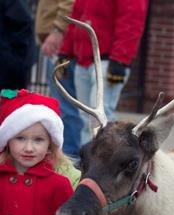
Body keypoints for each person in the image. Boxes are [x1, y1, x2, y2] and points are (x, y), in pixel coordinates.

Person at [59, 0, 148, 145]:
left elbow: (131, 21)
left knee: (100, 120)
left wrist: (120, 59)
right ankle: (87, 163)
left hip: (107, 61)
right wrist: (65, 51)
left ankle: (102, 163)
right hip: (83, 59)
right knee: (85, 118)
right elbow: (76, 17)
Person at [35, 0, 85, 160]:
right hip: (61, 41)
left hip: (63, 43)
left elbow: (69, 3)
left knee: (67, 108)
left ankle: (72, 160)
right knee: (65, 107)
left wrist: (58, 30)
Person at [0, 0, 37, 97]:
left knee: (11, 100)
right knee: (0, 100)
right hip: (3, 60)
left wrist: (9, 54)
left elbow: (22, 24)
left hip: (12, 61)